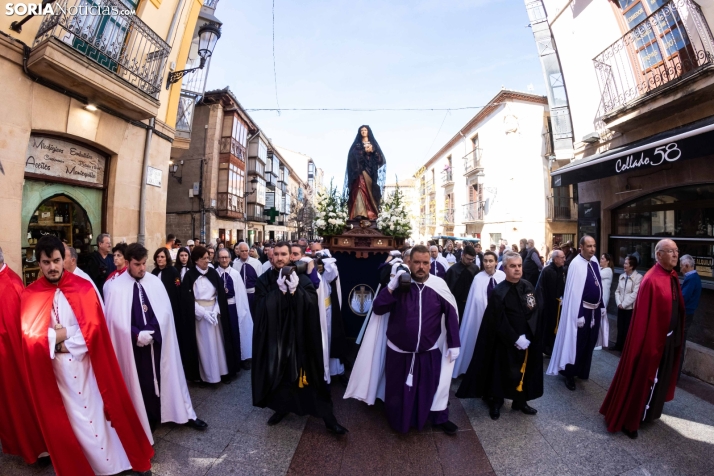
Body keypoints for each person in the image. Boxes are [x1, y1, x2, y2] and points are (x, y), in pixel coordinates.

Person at [21, 236, 153, 475]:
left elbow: (93, 331)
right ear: (39, 264)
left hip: (86, 369)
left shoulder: (83, 287)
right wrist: (63, 335)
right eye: (46, 262)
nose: (52, 267)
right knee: (72, 425)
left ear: (65, 259)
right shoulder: (30, 295)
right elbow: (30, 337)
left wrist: (59, 339)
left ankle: (114, 465)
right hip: (57, 376)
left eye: (56, 260)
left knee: (98, 419)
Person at [346, 245, 460, 434]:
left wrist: (454, 343)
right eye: (417, 262)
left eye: (425, 263)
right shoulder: (400, 285)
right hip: (398, 352)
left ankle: (437, 417)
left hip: (428, 351)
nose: (421, 267)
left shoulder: (438, 285)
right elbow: (378, 309)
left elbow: (451, 315)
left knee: (427, 390)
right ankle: (399, 422)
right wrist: (390, 287)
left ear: (430, 264)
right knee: (397, 393)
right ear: (409, 262)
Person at [104, 243, 207, 441]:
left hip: (157, 343)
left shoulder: (153, 282)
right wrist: (135, 334)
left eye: (144, 263)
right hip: (133, 349)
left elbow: (165, 312)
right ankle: (146, 419)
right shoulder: (115, 287)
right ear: (127, 263)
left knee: (164, 376)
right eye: (137, 264)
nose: (142, 268)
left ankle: (177, 412)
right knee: (141, 383)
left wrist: (152, 330)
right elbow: (114, 320)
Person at [252, 242, 347, 434]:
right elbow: (260, 308)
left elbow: (313, 303)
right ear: (271, 256)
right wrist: (279, 293)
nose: (279, 258)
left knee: (311, 377)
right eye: (276, 254)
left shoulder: (301, 278)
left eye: (283, 254)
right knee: (279, 377)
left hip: (301, 339)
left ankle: (329, 419)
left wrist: (296, 292)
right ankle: (281, 409)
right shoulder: (264, 280)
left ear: (290, 256)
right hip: (278, 341)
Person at [601, 239, 685, 439]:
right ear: (659, 255)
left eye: (676, 251)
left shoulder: (672, 276)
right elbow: (643, 320)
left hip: (667, 340)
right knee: (641, 379)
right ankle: (631, 420)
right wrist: (648, 346)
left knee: (659, 381)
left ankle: (649, 413)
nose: (675, 255)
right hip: (651, 342)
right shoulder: (651, 279)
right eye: (670, 251)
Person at [456, 251, 542, 420]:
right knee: (500, 370)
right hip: (504, 340)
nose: (517, 269)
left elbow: (534, 309)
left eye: (519, 266)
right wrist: (515, 338)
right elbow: (497, 319)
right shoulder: (499, 291)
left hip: (526, 339)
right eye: (512, 266)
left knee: (523, 370)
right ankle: (497, 401)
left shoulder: (527, 286)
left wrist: (528, 334)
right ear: (504, 268)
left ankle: (520, 401)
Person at [0, 246, 46, 465]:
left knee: (21, 403)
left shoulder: (10, 284)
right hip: (5, 357)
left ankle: (37, 449)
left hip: (13, 359)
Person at [547, 236, 606, 391]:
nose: (592, 249)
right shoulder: (575, 264)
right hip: (581, 312)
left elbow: (598, 284)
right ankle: (569, 374)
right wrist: (579, 313)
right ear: (581, 247)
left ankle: (582, 371)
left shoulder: (594, 262)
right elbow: (573, 292)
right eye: (589, 246)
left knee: (589, 343)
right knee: (577, 343)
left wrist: (602, 305)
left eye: (594, 246)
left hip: (594, 310)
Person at [179, 246, 238, 384]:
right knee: (204, 346)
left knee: (218, 344)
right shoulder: (189, 276)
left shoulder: (212, 273)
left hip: (214, 313)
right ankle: (207, 376)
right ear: (196, 260)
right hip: (200, 316)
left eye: (208, 258)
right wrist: (203, 313)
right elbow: (187, 300)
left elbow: (220, 295)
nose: (207, 260)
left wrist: (216, 310)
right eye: (204, 258)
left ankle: (222, 372)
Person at [453, 250, 505, 377]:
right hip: (480, 318)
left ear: (496, 262)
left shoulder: (502, 276)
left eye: (491, 261)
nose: (488, 264)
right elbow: (474, 301)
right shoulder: (478, 278)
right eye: (485, 261)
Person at [217, 249, 253, 370]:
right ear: (217, 259)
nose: (224, 260)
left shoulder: (235, 274)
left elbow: (241, 294)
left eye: (226, 257)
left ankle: (239, 359)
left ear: (230, 258)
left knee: (236, 333)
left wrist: (242, 311)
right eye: (221, 257)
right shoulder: (215, 274)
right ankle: (224, 363)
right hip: (220, 309)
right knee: (222, 335)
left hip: (233, 308)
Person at [344, 125, 386, 220]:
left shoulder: (373, 144)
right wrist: (363, 151)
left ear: (368, 132)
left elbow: (380, 160)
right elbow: (351, 157)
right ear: (359, 132)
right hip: (359, 171)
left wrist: (373, 151)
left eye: (365, 130)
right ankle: (358, 212)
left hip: (370, 171)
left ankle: (371, 213)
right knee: (359, 187)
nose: (363, 132)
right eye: (361, 130)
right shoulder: (356, 145)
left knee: (370, 190)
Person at [536, 250, 566, 357]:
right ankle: (547, 348)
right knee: (548, 327)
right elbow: (540, 288)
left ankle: (555, 347)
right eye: (562, 257)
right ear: (555, 259)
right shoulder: (547, 271)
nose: (564, 259)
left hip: (560, 304)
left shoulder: (562, 270)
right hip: (548, 305)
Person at [679, 254, 702, 380]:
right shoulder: (693, 277)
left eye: (681, 266)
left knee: (680, 341)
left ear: (687, 266)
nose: (680, 269)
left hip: (686, 313)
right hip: (688, 312)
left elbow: (683, 297)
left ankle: (675, 373)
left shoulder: (692, 278)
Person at [151, 247, 183, 338]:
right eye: (158, 257)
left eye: (162, 257)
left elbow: (178, 286)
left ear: (167, 258)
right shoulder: (154, 272)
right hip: (158, 305)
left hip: (171, 305)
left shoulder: (173, 271)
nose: (159, 259)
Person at [613, 254, 642, 352]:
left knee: (627, 329)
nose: (623, 265)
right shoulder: (621, 276)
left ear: (631, 266)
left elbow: (635, 294)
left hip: (630, 308)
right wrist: (619, 303)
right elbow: (617, 291)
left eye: (626, 263)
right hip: (620, 306)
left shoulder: (638, 277)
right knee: (620, 327)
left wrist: (624, 304)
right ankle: (618, 346)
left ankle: (626, 350)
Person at [444, 245, 479, 321]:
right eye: (468, 259)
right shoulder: (452, 270)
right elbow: (448, 289)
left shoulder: (475, 268)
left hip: (471, 304)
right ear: (462, 255)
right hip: (457, 304)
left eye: (472, 259)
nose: (470, 261)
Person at [232, 242, 263, 317]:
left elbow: (261, 280)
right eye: (242, 251)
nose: (244, 253)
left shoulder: (256, 263)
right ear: (238, 252)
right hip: (241, 295)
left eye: (246, 251)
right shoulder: (235, 264)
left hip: (253, 295)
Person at [84, 233, 115, 298]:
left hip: (111, 294)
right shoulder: (92, 259)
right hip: (97, 294)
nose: (110, 245)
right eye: (107, 243)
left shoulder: (112, 258)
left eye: (110, 243)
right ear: (100, 244)